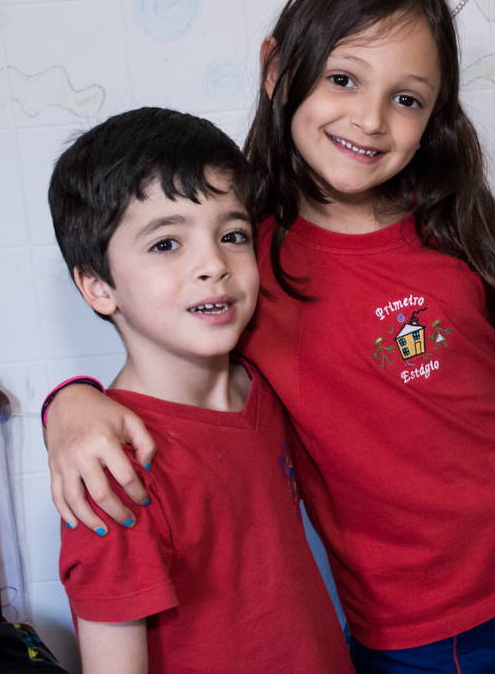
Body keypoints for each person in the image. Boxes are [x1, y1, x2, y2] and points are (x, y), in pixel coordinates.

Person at [45, 0, 495, 672]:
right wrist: (69, 405)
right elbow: (164, 344)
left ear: (434, 115)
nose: (369, 119)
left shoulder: (460, 218)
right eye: (344, 78)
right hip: (421, 632)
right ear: (278, 69)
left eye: (405, 98)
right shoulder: (244, 256)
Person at [47, 108, 354, 673]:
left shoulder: (265, 380)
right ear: (97, 287)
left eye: (232, 235)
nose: (214, 263)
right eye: (166, 244)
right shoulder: (109, 473)